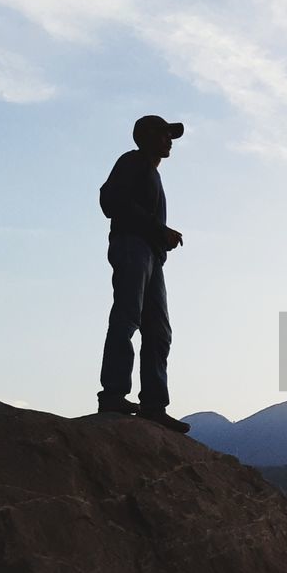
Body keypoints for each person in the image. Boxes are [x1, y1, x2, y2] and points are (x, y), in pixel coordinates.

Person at [96, 115, 190, 433]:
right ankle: (113, 395)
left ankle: (153, 405)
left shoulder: (152, 174)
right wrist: (158, 229)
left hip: (151, 257)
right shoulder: (132, 162)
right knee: (127, 318)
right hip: (131, 247)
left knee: (158, 331)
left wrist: (160, 238)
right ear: (145, 136)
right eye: (164, 134)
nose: (170, 140)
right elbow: (110, 201)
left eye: (170, 135)